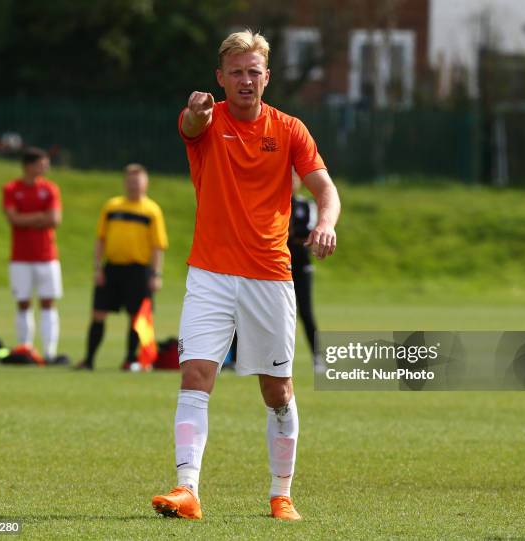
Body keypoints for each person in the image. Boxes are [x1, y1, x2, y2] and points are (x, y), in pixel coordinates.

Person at [151, 29, 340, 521]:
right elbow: (191, 125)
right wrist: (195, 111)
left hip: (270, 277)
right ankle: (186, 489)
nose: (245, 80)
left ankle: (282, 494)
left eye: (253, 71)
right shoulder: (206, 120)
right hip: (210, 274)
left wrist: (325, 223)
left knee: (277, 390)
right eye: (235, 72)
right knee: (195, 374)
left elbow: (326, 189)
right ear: (220, 77)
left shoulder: (291, 129)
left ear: (267, 77)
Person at [75, 164, 168, 371]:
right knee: (98, 312)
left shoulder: (152, 210)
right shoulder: (112, 206)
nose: (134, 185)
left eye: (138, 181)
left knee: (137, 316)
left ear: (146, 184)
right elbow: (100, 238)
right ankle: (89, 359)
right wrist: (98, 268)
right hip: (112, 268)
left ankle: (129, 360)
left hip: (138, 270)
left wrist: (156, 274)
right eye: (130, 181)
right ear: (125, 183)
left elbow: (158, 246)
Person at [2, 147, 62, 362]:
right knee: (23, 302)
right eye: (42, 163)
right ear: (29, 166)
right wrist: (39, 217)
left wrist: (26, 218)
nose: (46, 167)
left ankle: (49, 352)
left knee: (48, 303)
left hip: (47, 256)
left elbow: (54, 219)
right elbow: (13, 219)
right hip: (20, 257)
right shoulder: (11, 188)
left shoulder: (51, 189)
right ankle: (25, 349)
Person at [288, 169, 323, 373]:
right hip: (276, 268)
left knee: (306, 313)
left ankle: (318, 358)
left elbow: (310, 231)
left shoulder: (305, 205)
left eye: (294, 178)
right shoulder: (275, 203)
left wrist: (291, 233)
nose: (291, 182)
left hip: (301, 268)